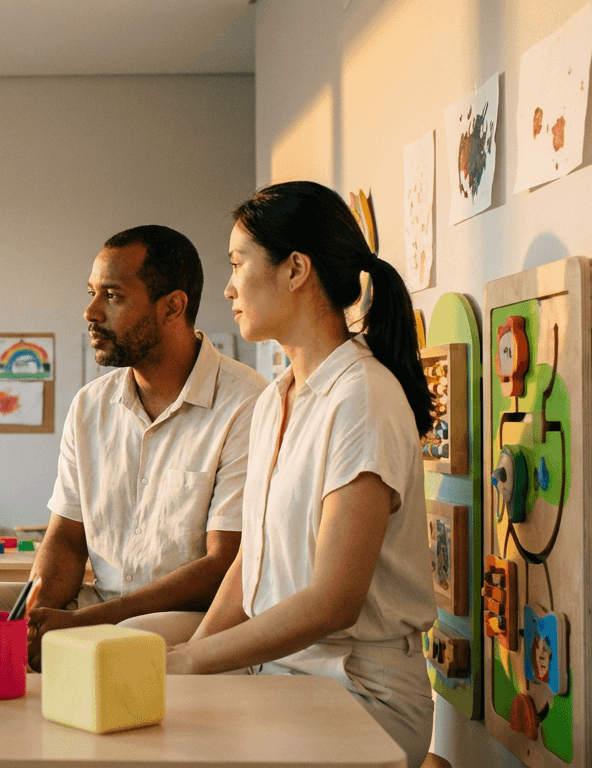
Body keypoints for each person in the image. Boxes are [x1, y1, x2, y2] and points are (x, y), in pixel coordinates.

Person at [165, 181, 436, 768]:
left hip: (361, 696)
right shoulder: (275, 399)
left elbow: (333, 603)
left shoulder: (361, 399)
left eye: (238, 265)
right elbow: (252, 562)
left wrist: (187, 663)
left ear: (295, 270)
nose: (230, 288)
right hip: (283, 678)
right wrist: (191, 658)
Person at [0, 225, 266, 667]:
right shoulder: (91, 405)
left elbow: (224, 564)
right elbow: (65, 537)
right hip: (98, 604)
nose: (90, 312)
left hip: (190, 619)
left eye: (113, 296)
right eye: (92, 293)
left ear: (172, 307)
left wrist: (87, 622)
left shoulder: (247, 403)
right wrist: (31, 613)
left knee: (125, 637)